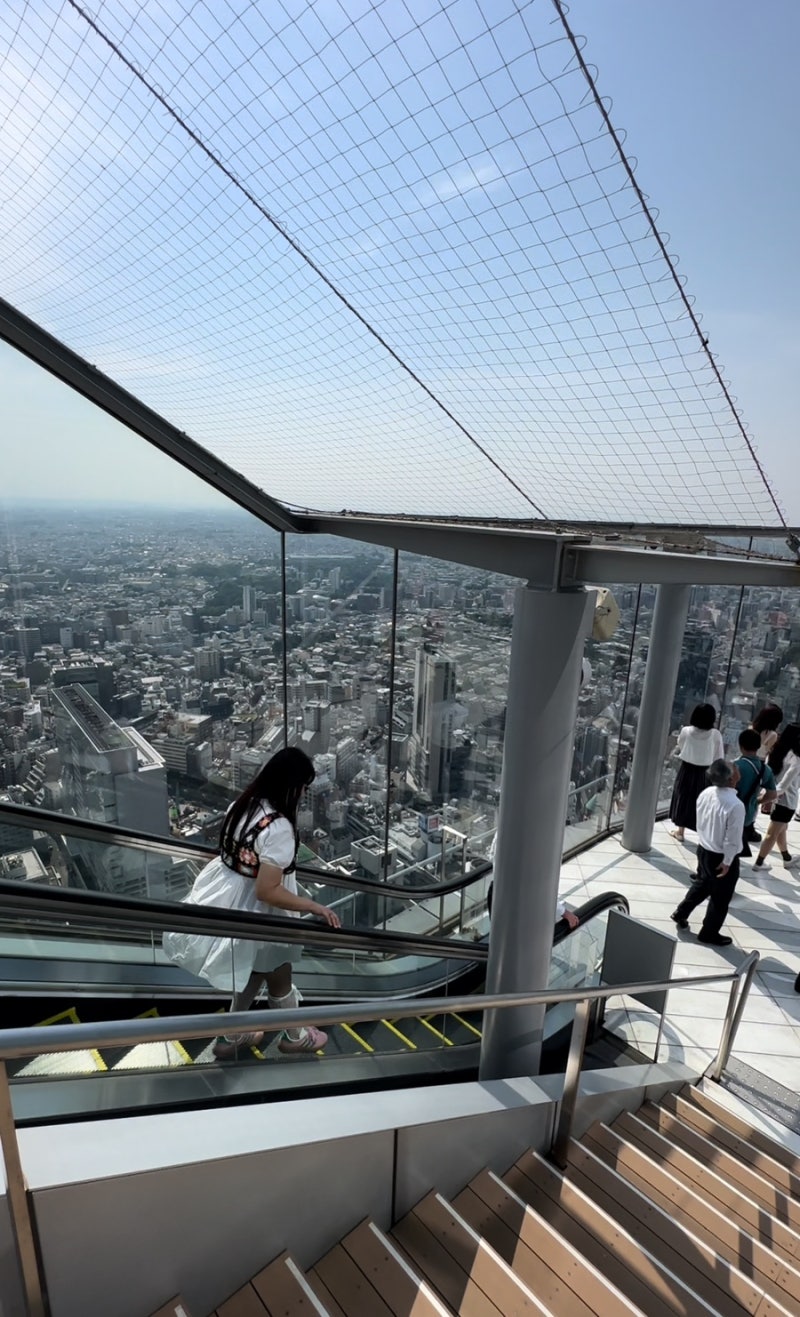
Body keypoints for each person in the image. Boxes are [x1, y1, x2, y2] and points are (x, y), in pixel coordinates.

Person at [163, 747, 340, 1058]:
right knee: (279, 971)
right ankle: (295, 1036)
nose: (302, 793)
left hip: (231, 896)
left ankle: (235, 1035)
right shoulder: (279, 827)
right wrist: (314, 906)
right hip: (262, 911)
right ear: (290, 785)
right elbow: (268, 890)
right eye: (302, 786)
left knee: (253, 971)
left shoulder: (244, 804)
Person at [671, 759, 745, 946]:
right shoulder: (735, 805)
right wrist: (728, 861)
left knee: (703, 884)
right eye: (734, 768)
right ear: (731, 779)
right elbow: (732, 838)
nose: (737, 768)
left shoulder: (706, 793)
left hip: (703, 849)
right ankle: (709, 932)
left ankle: (681, 912)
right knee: (721, 897)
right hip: (721, 856)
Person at [486, 832, 579, 929]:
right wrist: (563, 912)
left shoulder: (505, 827)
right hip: (518, 901)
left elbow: (493, 854)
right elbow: (536, 885)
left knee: (500, 938)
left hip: (498, 892)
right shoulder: (534, 835)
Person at [668, 704, 724, 841]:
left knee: (683, 798)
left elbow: (680, 745)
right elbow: (719, 756)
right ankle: (702, 833)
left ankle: (680, 831)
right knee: (703, 801)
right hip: (706, 771)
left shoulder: (686, 731)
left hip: (687, 769)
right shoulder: (715, 734)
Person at [754, 725, 800, 871]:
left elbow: (768, 776)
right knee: (772, 834)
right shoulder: (796, 759)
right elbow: (784, 785)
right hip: (786, 801)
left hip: (776, 799)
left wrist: (766, 795)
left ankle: (787, 858)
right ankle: (759, 863)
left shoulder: (776, 752)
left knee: (781, 829)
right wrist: (765, 798)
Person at [734, 728, 777, 857]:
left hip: (731, 810)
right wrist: (757, 801)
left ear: (740, 746)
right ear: (758, 746)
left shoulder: (735, 765)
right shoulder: (765, 769)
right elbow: (772, 794)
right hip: (748, 812)